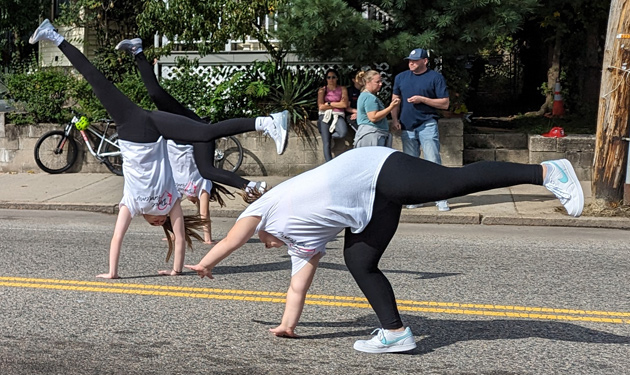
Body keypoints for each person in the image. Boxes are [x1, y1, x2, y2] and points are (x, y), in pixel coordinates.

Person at [186, 146, 584, 353]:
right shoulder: (302, 244)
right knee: (360, 260)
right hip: (368, 203)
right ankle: (395, 332)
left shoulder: (262, 210)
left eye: (263, 240)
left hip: (370, 170)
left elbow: (229, 240)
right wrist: (288, 325)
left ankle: (546, 172)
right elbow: (297, 290)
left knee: (449, 184)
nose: (267, 244)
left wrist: (203, 263)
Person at [29, 19, 288, 278]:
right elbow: (173, 234)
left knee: (100, 81)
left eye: (157, 223)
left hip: (142, 127)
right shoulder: (164, 203)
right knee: (202, 130)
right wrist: (162, 271)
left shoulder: (138, 205)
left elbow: (123, 237)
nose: (157, 223)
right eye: (160, 223)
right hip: (141, 128)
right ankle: (266, 122)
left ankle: (107, 45)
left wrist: (123, 272)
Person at [115, 38, 259, 191]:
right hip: (192, 127)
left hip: (190, 126)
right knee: (206, 171)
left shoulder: (192, 175)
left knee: (156, 94)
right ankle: (251, 186)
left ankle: (137, 51)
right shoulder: (196, 174)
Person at [391, 48, 451, 212]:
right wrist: (395, 119)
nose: (411, 63)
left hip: (427, 124)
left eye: (415, 60)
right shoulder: (401, 77)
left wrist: (423, 99)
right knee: (411, 165)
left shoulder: (435, 78)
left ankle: (440, 197)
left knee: (433, 161)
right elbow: (395, 100)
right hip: (406, 126)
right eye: (410, 60)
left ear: (425, 61)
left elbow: (445, 103)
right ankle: (415, 197)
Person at [353, 70, 400, 148]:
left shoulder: (366, 95)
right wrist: (391, 107)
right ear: (368, 82)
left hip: (373, 134)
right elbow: (373, 117)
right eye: (377, 82)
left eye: (381, 81)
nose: (380, 84)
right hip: (371, 135)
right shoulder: (369, 97)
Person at [317, 68, 349, 161]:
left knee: (342, 132)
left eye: (333, 77)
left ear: (337, 78)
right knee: (326, 143)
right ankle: (328, 163)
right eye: (329, 77)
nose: (331, 79)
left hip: (338, 114)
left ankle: (331, 136)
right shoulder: (322, 90)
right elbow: (321, 107)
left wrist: (329, 104)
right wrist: (337, 103)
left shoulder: (342, 89)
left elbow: (344, 104)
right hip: (325, 115)